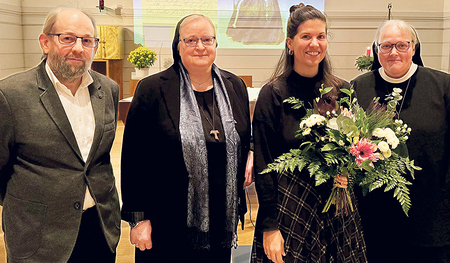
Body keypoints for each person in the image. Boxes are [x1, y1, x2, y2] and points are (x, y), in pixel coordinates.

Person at [120, 14, 251, 263]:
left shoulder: (235, 87)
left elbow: (244, 136)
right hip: (165, 220)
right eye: (190, 40)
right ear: (177, 46)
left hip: (219, 220)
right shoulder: (152, 89)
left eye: (206, 39)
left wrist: (252, 151)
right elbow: (134, 158)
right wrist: (138, 219)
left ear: (215, 44)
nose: (200, 47)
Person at [0, 7, 121, 263]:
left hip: (99, 228)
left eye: (87, 40)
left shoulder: (108, 89)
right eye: (67, 38)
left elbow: (99, 161)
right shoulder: (10, 95)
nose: (78, 48)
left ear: (95, 48)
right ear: (45, 42)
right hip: (40, 239)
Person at [251, 4, 367, 263]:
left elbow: (359, 148)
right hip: (292, 209)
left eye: (321, 36)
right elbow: (264, 163)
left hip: (338, 208)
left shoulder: (343, 91)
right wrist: (269, 227)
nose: (315, 44)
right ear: (290, 43)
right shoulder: (273, 94)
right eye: (306, 36)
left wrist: (350, 173)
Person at [352, 20, 450, 263]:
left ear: (414, 49)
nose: (393, 52)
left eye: (401, 45)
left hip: (432, 218)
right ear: (376, 51)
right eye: (386, 46)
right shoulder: (358, 88)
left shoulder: (443, 86)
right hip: (375, 217)